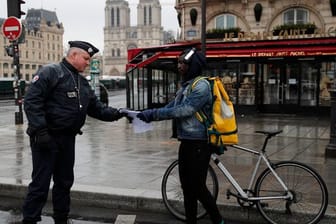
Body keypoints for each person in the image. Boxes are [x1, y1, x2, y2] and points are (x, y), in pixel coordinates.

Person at [22, 41, 127, 224]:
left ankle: (61, 219)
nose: (88, 63)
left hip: (67, 140)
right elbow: (32, 101)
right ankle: (29, 220)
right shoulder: (51, 72)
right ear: (73, 55)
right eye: (86, 58)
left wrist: (120, 113)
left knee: (64, 183)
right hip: (46, 138)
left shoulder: (82, 83)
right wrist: (41, 130)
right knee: (40, 184)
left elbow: (97, 109)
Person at [137, 48, 225, 224]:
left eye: (183, 63)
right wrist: (148, 113)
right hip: (186, 141)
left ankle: (218, 220)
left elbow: (185, 110)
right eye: (178, 62)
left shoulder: (201, 85)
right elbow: (172, 105)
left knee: (198, 187)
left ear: (192, 65)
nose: (179, 66)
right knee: (186, 187)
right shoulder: (187, 86)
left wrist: (154, 114)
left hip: (199, 143)